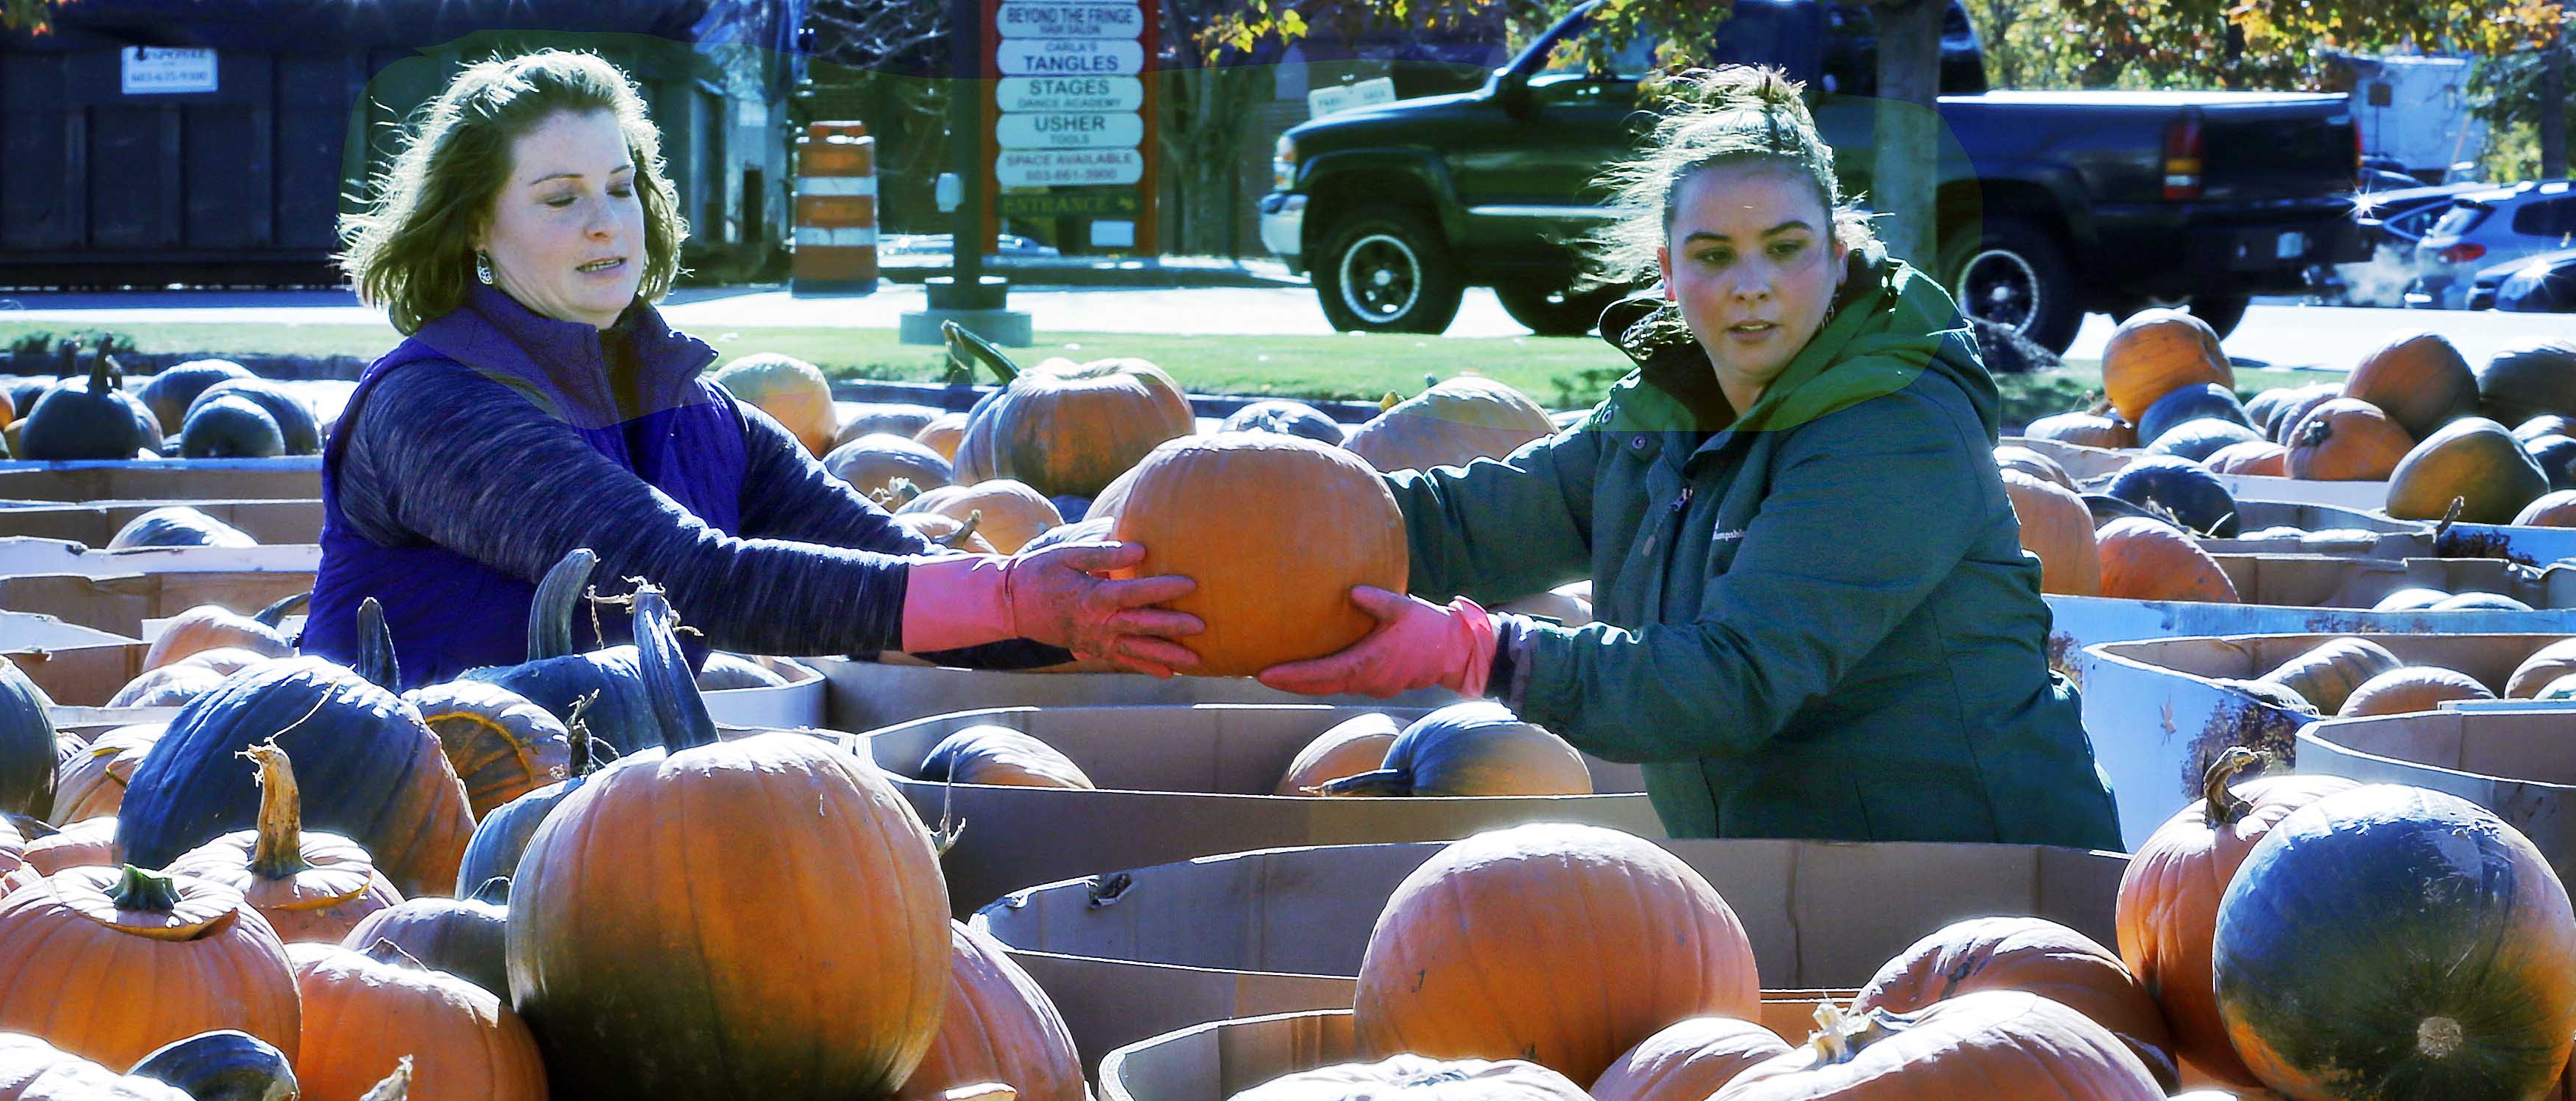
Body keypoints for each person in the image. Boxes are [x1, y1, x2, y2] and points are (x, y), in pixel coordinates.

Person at [1257, 70, 2114, 847]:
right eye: (1713, 256)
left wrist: (1481, 652)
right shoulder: (1659, 420)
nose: (1753, 284)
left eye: (1786, 248)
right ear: (1669, 272)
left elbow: (1734, 677)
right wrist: (1260, 527)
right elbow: (1460, 525)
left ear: (1839, 255)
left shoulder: (1894, 425)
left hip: (1986, 887)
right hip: (1795, 885)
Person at [304, 50, 1198, 687]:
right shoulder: (433, 407)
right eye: (559, 199)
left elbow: (890, 570)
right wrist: (1008, 595)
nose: (607, 224)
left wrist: (1091, 627)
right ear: (471, 226)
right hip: (383, 830)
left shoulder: (700, 414)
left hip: (603, 823)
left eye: (621, 188)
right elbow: (681, 580)